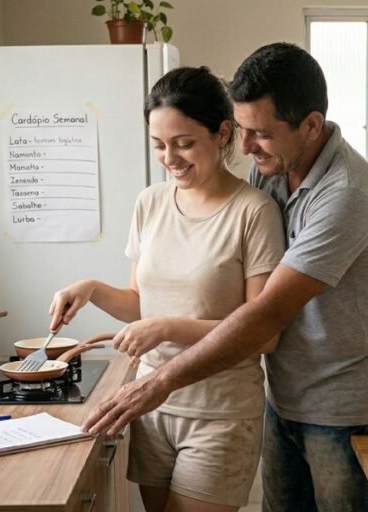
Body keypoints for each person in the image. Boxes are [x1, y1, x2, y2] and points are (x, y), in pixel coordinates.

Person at [83, 42, 368, 512]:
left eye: (260, 133)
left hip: (342, 406)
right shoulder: (273, 169)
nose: (246, 146)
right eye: (243, 128)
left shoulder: (346, 196)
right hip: (284, 394)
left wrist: (158, 381)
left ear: (311, 125)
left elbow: (264, 315)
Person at [48, 66, 285, 512]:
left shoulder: (254, 213)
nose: (170, 158)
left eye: (184, 143)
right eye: (159, 145)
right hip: (150, 405)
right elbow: (140, 304)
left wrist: (167, 328)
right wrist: (93, 288)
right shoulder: (150, 202)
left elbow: (263, 333)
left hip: (220, 414)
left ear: (222, 134)